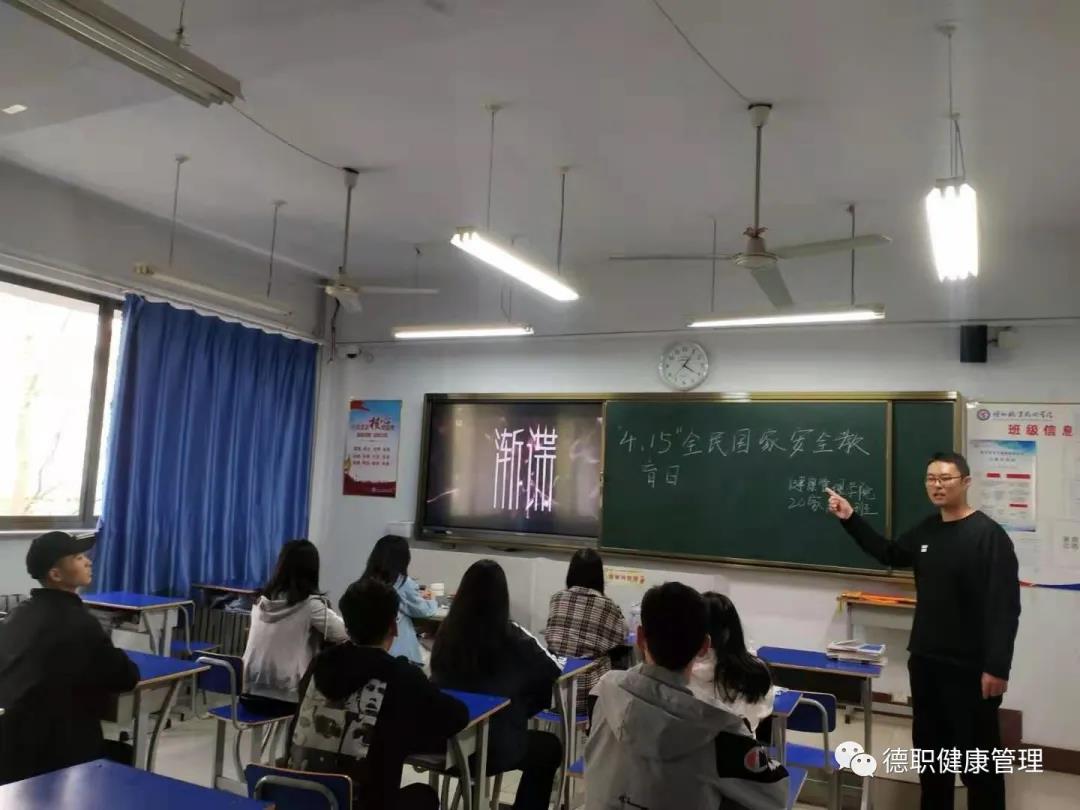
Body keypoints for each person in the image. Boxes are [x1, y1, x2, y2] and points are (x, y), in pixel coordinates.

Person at [826, 451, 1021, 810]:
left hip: (971, 668)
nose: (937, 485)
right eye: (931, 478)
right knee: (932, 757)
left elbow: (1004, 607)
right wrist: (851, 519)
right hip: (927, 661)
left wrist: (997, 667)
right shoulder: (927, 530)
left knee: (979, 763)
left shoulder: (988, 536)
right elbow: (889, 553)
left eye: (945, 478)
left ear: (966, 482)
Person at [586, 582, 788, 810]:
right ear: (704, 646)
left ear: (640, 637)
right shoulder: (724, 732)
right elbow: (775, 799)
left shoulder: (602, 693)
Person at [289, 577, 468, 810]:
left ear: (347, 626)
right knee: (424, 796)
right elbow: (457, 716)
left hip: (298, 799)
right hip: (363, 805)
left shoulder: (317, 666)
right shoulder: (401, 676)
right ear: (393, 626)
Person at [0, 531, 139, 784]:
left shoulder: (17, 614)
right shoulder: (81, 623)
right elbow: (126, 677)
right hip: (63, 753)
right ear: (56, 574)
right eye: (77, 558)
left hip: (10, 745)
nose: (88, 561)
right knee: (125, 756)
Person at [430, 560, 562, 810]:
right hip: (494, 748)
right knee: (549, 747)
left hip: (445, 745)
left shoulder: (446, 633)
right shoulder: (514, 636)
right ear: (503, 598)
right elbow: (553, 669)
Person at [242, 539, 347, 715]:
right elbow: (343, 633)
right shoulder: (310, 606)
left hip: (248, 692)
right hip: (288, 697)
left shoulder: (260, 602)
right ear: (312, 571)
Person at [544, 548, 628, 715]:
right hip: (590, 696)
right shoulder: (606, 605)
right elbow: (621, 636)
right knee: (617, 660)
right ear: (599, 576)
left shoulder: (557, 598)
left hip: (553, 693)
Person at [689, 592, 776, 734]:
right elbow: (759, 715)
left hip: (691, 745)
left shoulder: (681, 670)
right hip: (742, 744)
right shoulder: (757, 671)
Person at [362, 534, 437, 665]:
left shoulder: (365, 581)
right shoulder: (403, 583)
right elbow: (424, 611)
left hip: (368, 649)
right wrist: (432, 599)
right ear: (403, 558)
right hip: (398, 652)